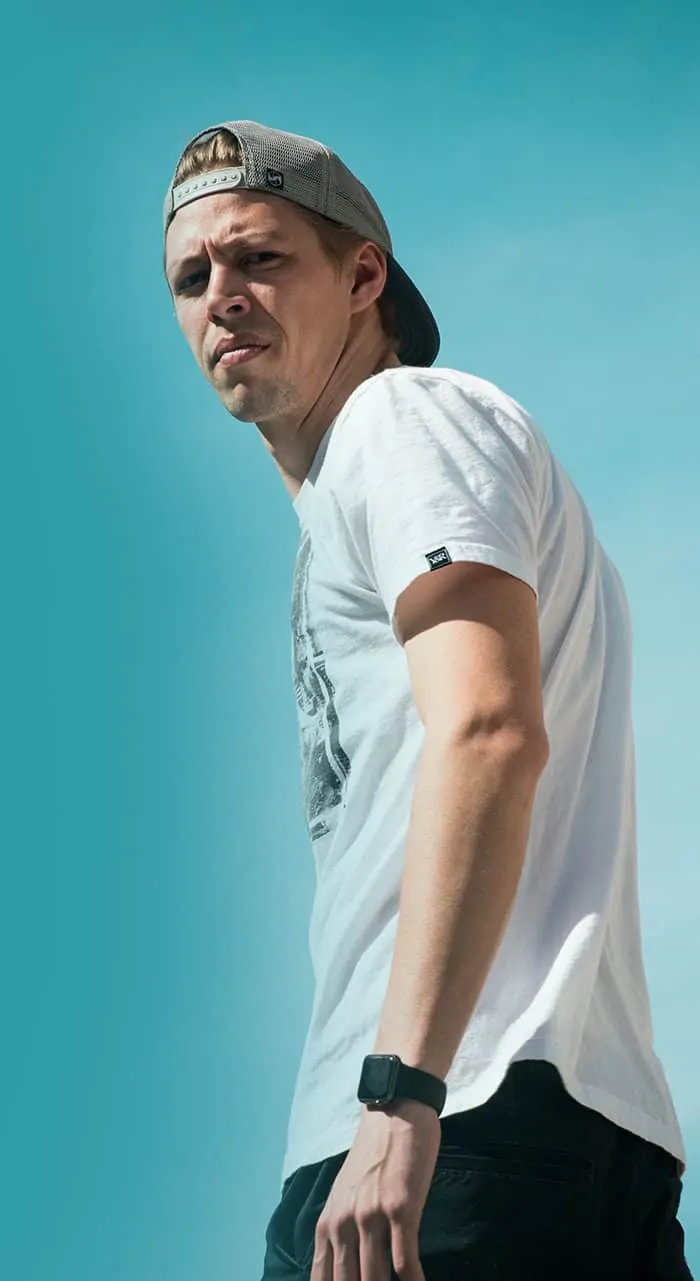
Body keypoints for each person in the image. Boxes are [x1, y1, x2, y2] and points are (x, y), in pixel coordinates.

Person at [162, 120, 693, 1280]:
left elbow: (489, 730)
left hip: (445, 1124)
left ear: (363, 276)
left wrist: (399, 1097)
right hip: (544, 1133)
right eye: (191, 279)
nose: (222, 297)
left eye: (260, 257)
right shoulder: (359, 494)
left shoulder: (401, 422)